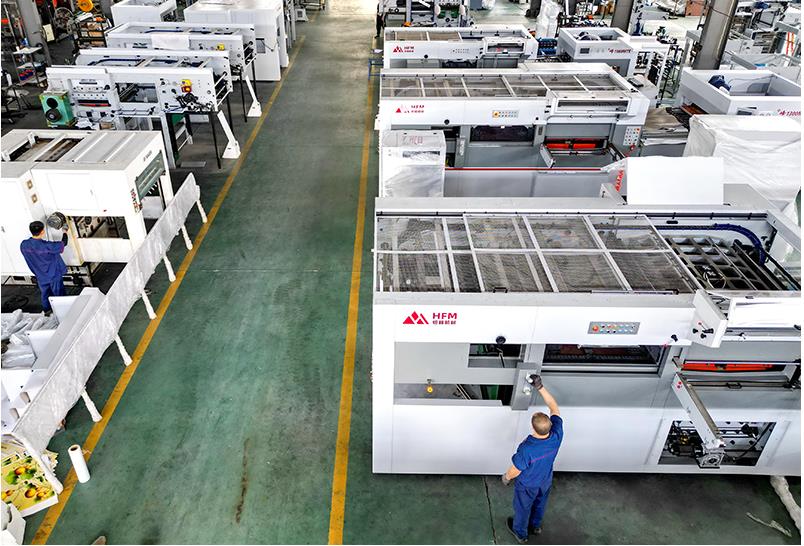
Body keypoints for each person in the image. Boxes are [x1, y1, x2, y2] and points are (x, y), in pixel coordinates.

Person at [501, 375, 563, 543]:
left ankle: (520, 533)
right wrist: (540, 386)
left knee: (522, 508)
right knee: (540, 503)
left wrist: (506, 477)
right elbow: (553, 406)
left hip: (528, 484)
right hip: (545, 480)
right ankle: (535, 526)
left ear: (533, 427)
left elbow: (516, 469)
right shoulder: (557, 434)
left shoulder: (527, 448)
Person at [20, 221, 69, 314]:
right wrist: (65, 231)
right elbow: (63, 243)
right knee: (59, 295)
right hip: (53, 275)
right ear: (42, 231)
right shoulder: (47, 246)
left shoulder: (24, 245)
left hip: (40, 276)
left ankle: (47, 312)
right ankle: (63, 312)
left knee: (45, 295)